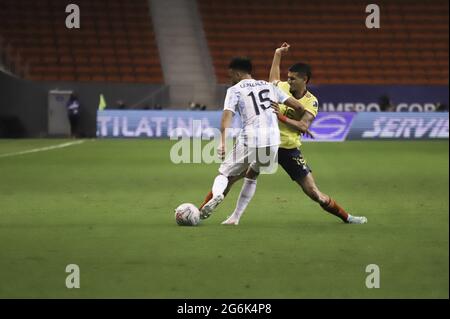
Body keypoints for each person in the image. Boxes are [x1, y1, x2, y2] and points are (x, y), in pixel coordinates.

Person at [198, 57, 306, 224]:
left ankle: (218, 194)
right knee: (252, 174)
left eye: (231, 75)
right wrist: (285, 117)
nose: (230, 79)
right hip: (272, 141)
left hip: (251, 137)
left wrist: (221, 142)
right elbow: (299, 108)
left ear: (238, 72)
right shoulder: (269, 86)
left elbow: (227, 116)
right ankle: (235, 217)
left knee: (224, 173)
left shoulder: (234, 90)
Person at [269, 43, 367, 224]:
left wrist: (281, 117)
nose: (288, 81)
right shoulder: (280, 86)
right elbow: (273, 78)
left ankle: (347, 217)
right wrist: (277, 54)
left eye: (292, 79)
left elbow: (303, 126)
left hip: (288, 148)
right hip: (266, 144)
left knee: (314, 193)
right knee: (232, 174)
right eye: (288, 78)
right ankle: (205, 209)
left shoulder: (311, 101)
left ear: (304, 79)